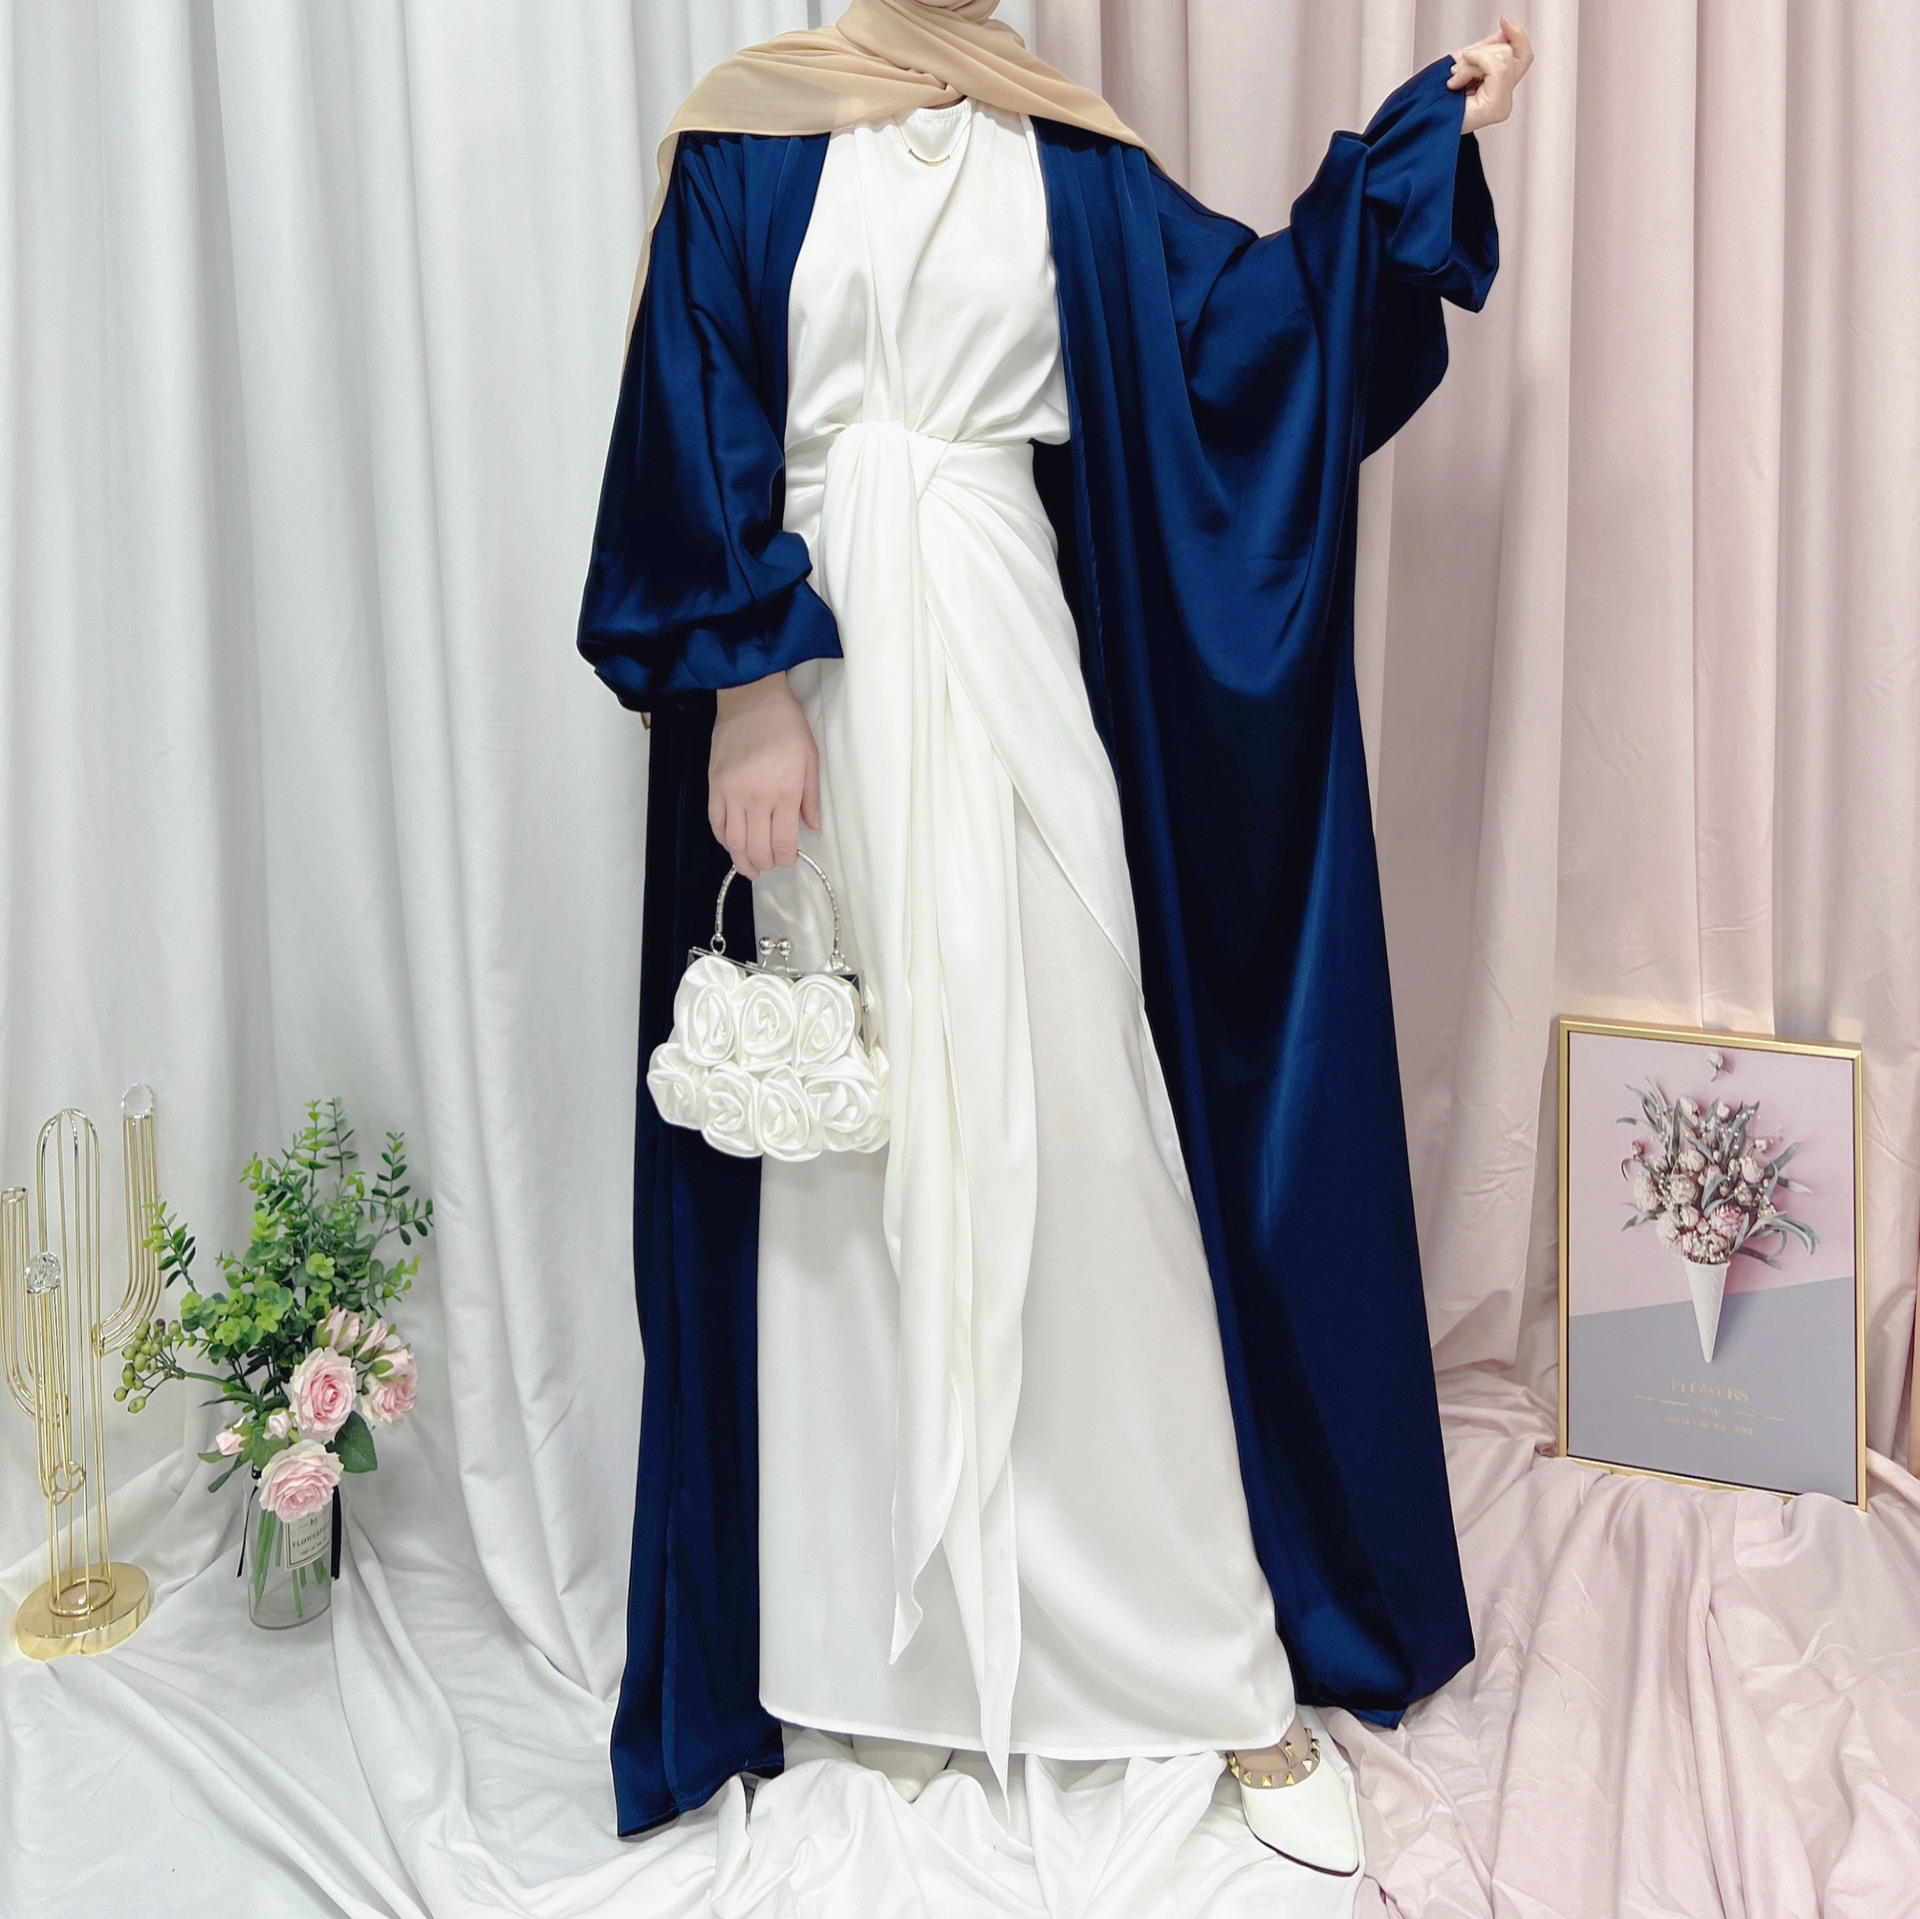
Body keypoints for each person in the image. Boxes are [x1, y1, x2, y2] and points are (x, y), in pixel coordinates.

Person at [578, 0, 1531, 1876]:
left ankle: (1203, 1654)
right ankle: (889, 1654)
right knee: (853, 1150)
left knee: (1086, 1127)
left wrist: (1412, 152)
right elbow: (694, 407)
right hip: (821, 691)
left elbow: (1244, 345)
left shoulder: (1071, 166)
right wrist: (749, 691)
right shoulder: (747, 143)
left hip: (1009, 649)